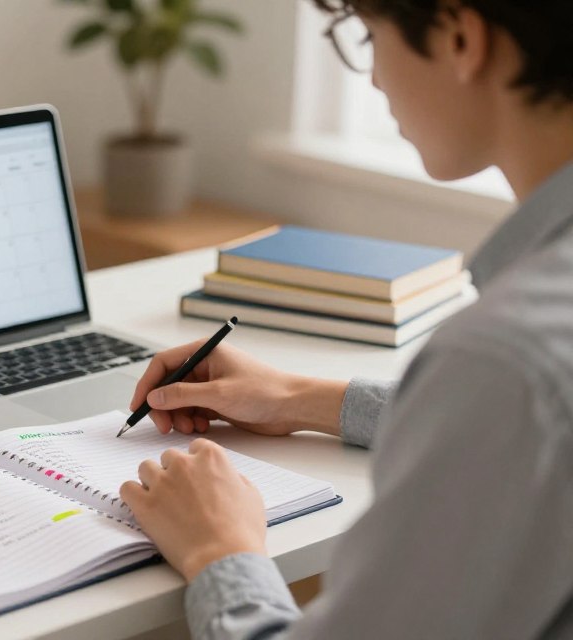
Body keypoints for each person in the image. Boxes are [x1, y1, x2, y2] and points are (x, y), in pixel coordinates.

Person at [118, 1, 573, 638]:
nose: (376, 79)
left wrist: (217, 549)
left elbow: (516, 402)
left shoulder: (506, 362)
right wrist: (299, 397)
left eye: (367, 34)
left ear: (462, 37)